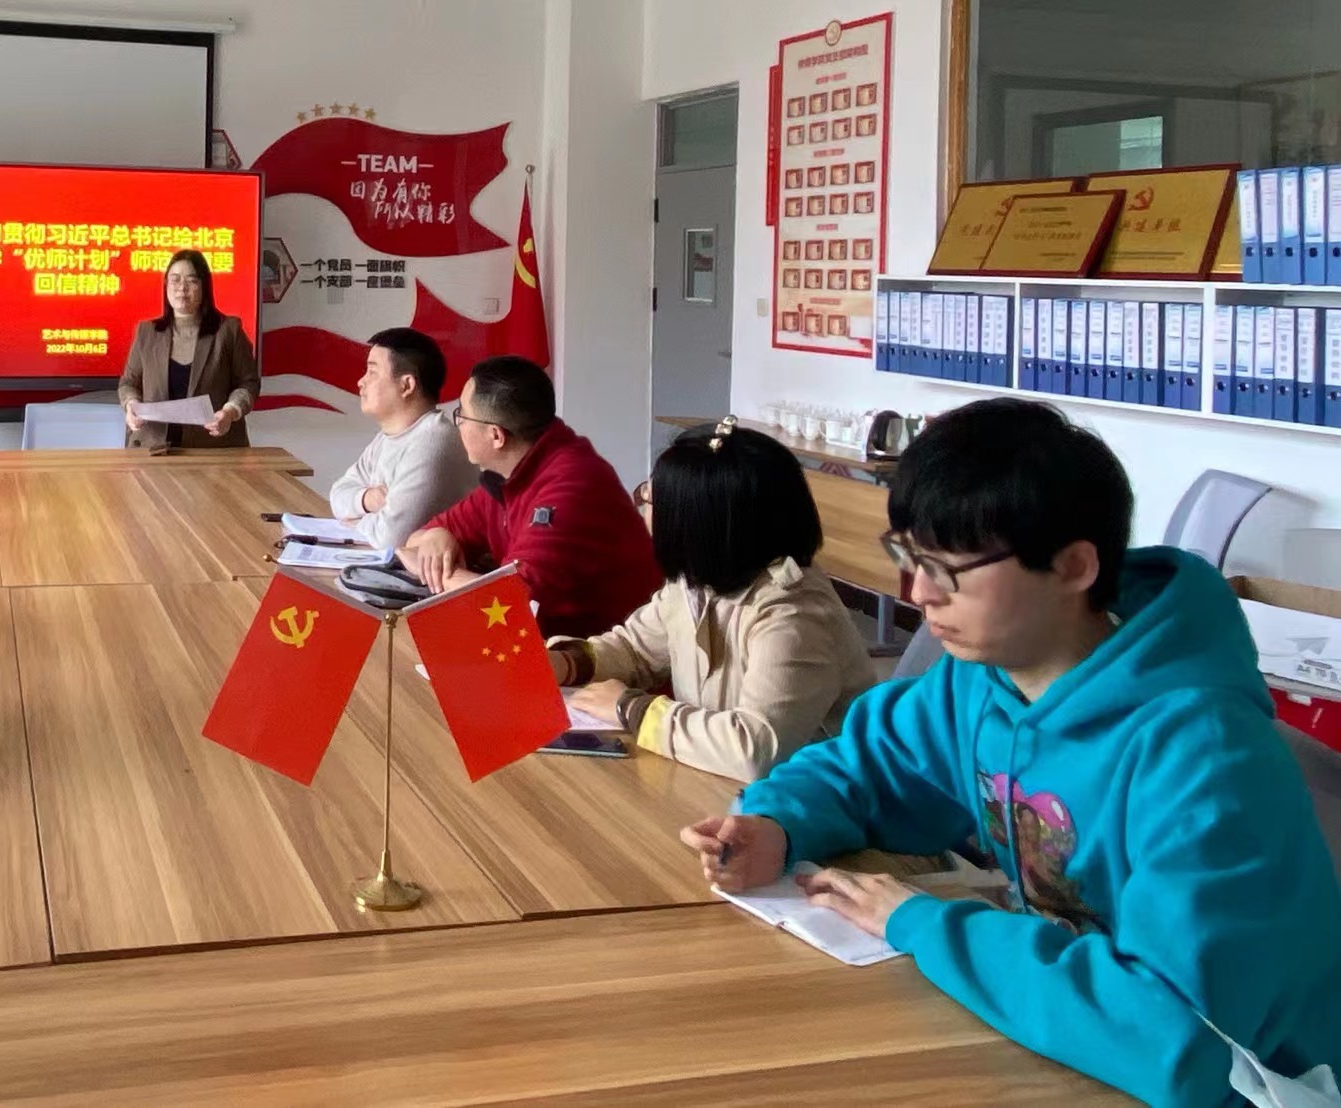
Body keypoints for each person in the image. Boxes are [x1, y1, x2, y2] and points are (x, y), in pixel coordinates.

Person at [680, 398, 1341, 1105]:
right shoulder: (984, 678)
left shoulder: (1206, 757)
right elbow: (864, 768)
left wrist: (921, 923)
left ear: (1074, 566)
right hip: (1079, 1042)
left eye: (947, 568)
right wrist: (777, 824)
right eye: (908, 556)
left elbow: (1179, 1038)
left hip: (1260, 1085)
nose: (918, 593)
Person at [547, 419, 873, 781]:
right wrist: (567, 664)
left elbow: (754, 750)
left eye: (651, 497)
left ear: (697, 521)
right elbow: (636, 650)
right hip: (715, 783)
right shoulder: (697, 581)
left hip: (813, 797)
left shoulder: (793, 613)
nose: (643, 506)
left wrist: (633, 709)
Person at [398, 355, 662, 639]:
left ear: (496, 436)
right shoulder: (509, 473)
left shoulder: (572, 486)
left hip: (604, 656)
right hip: (547, 645)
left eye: (462, 415)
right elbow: (412, 543)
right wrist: (437, 535)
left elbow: (513, 602)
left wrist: (441, 573)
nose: (458, 423)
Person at [326, 328, 479, 551]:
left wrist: (354, 520)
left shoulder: (433, 441)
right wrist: (366, 499)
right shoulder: (387, 437)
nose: (361, 381)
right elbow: (337, 495)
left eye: (372, 372)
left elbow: (389, 539)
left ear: (406, 385)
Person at [118, 249, 261, 450]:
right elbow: (128, 383)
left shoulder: (228, 331)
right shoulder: (147, 332)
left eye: (191, 280)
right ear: (166, 285)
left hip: (213, 448)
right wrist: (131, 404)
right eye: (175, 279)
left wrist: (230, 412)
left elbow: (248, 383)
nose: (182, 288)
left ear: (204, 286)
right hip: (152, 446)